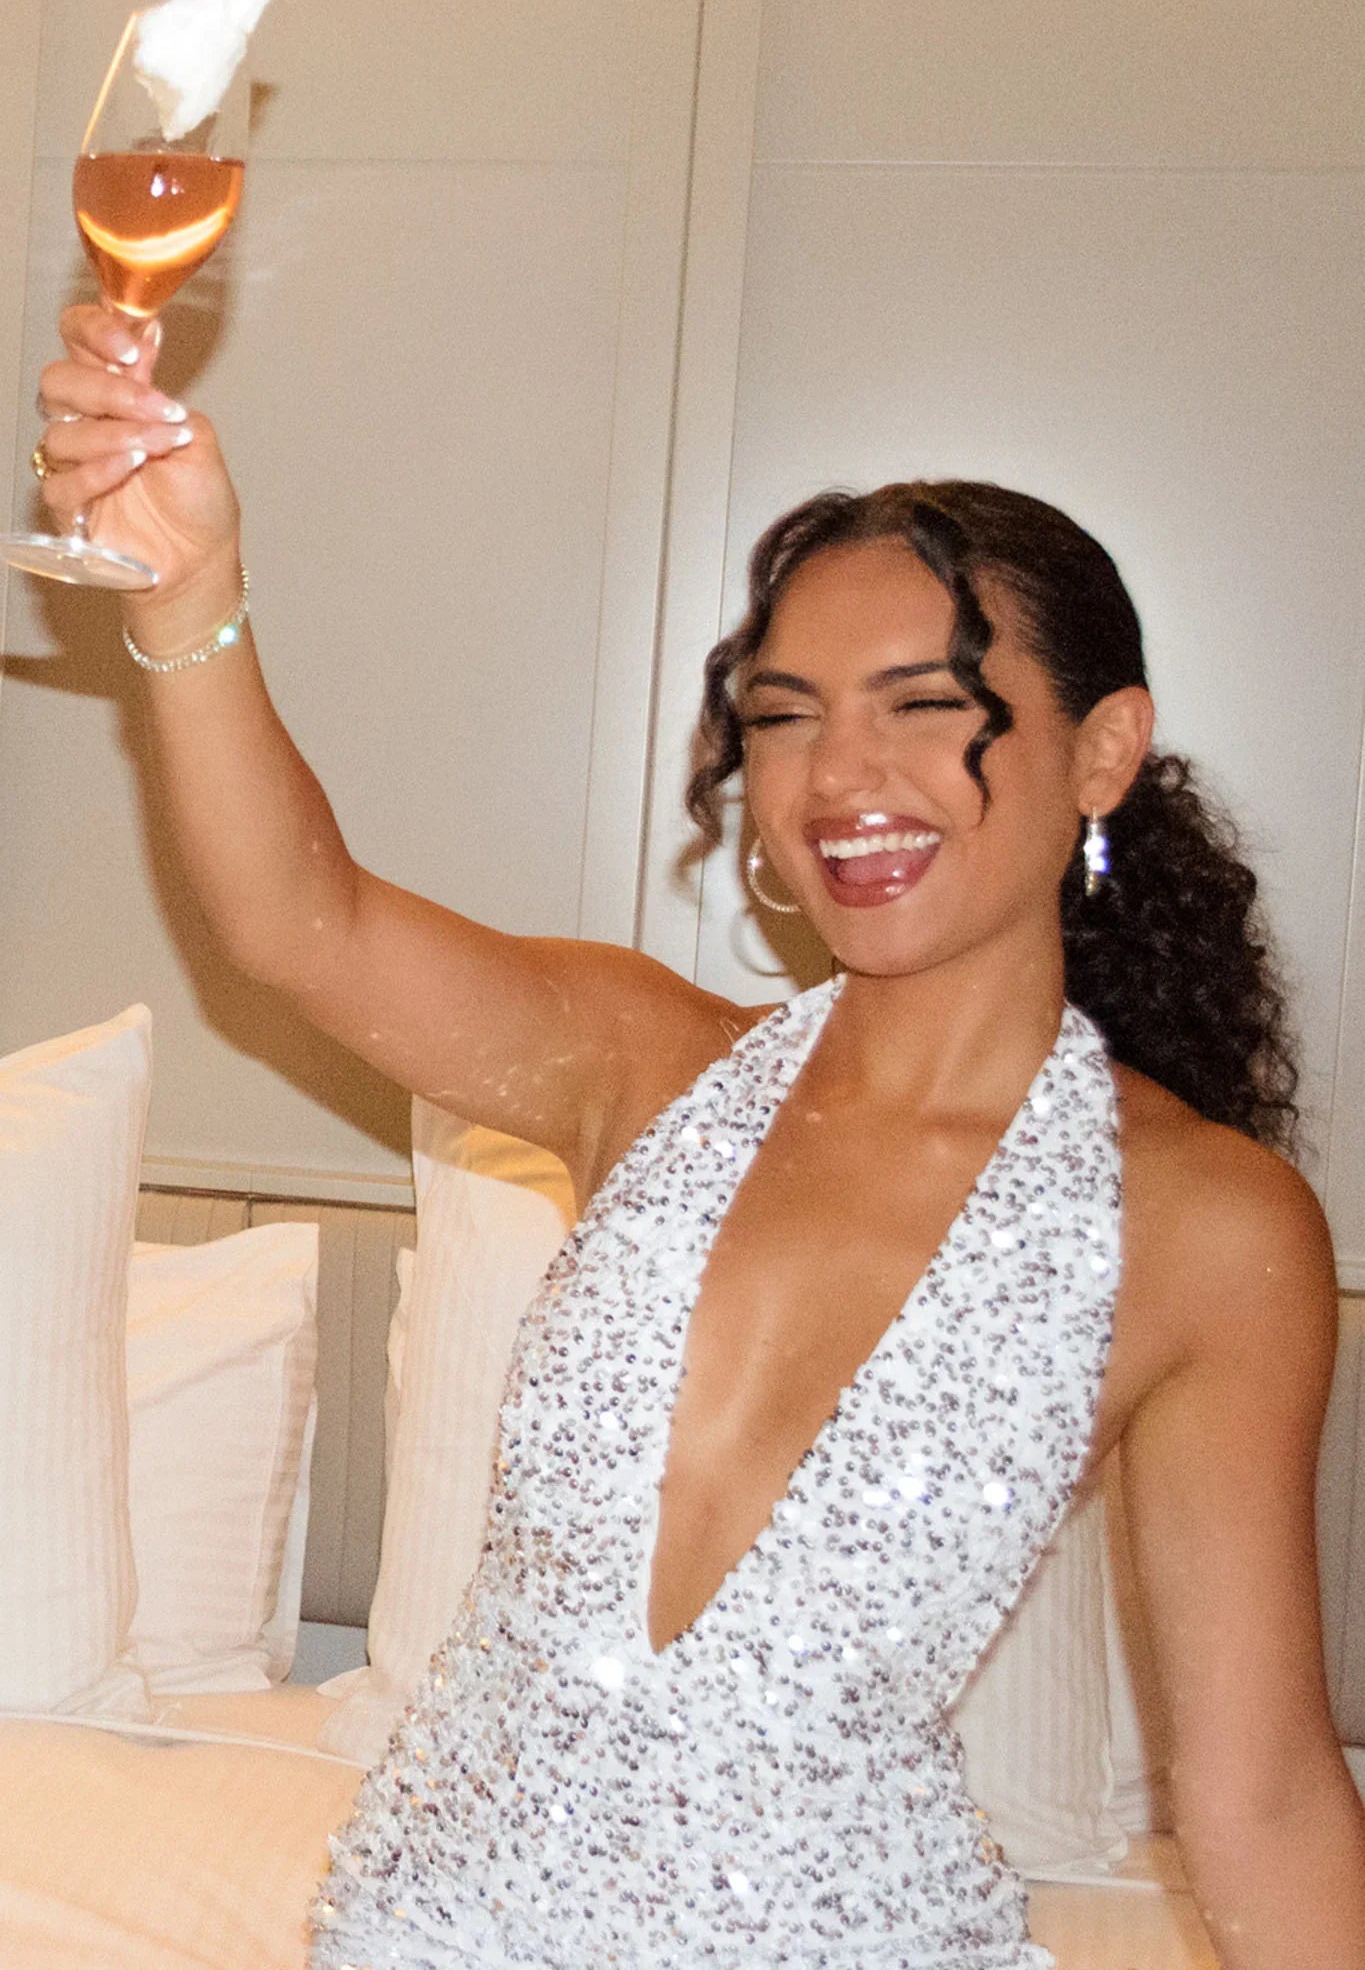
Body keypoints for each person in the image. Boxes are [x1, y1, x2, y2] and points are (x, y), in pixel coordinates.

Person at [32, 305, 1365, 1969]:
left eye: (923, 704)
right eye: (788, 716)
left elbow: (1261, 1801)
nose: (840, 776)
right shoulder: (646, 1063)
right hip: (433, 1927)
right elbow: (299, 925)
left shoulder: (1206, 1230)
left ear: (1101, 749)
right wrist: (187, 595)